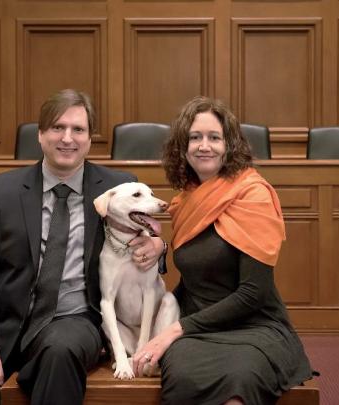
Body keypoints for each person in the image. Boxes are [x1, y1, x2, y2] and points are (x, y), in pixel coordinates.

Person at [0, 89, 166, 405]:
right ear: (40, 134)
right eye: (57, 128)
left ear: (90, 139)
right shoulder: (1, 190)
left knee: (60, 352)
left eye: (78, 129)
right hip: (6, 327)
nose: (68, 138)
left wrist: (161, 246)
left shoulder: (118, 189)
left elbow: (144, 244)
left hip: (76, 322)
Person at [131, 96, 314, 404]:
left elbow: (254, 293)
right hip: (198, 329)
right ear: (182, 147)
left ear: (229, 145)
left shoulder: (253, 195)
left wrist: (174, 330)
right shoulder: (187, 200)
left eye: (214, 137)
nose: (205, 145)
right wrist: (154, 327)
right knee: (183, 377)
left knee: (237, 381)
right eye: (195, 137)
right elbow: (196, 272)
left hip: (255, 327)